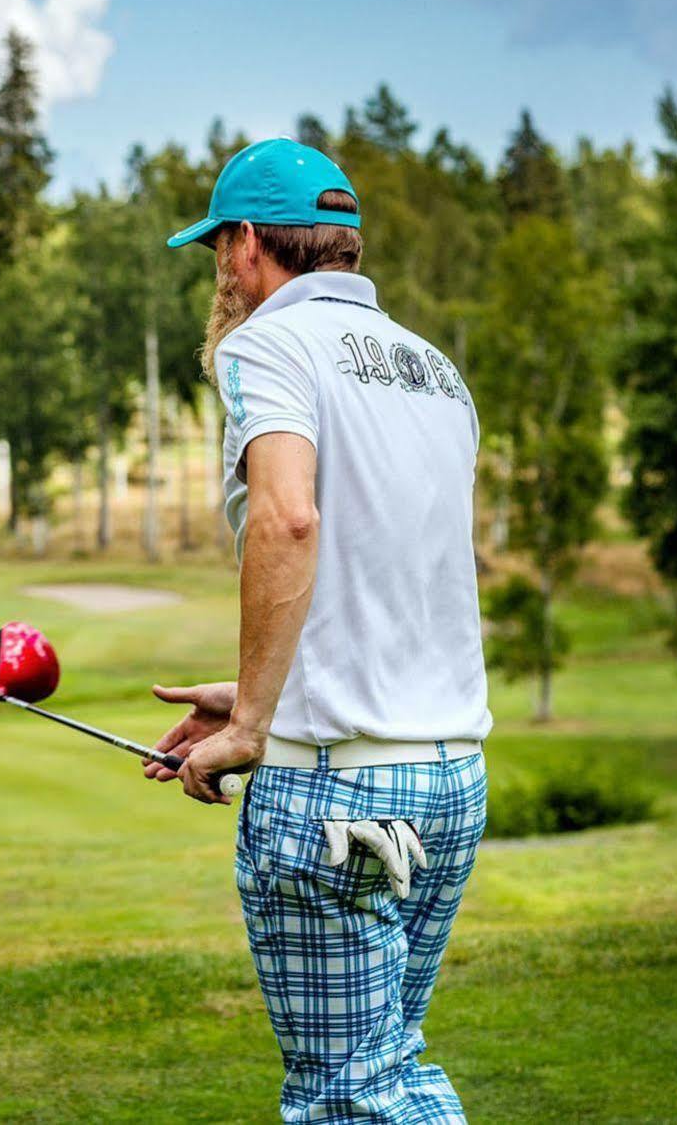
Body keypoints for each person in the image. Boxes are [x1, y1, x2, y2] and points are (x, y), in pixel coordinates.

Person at [147, 138, 491, 1123]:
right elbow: (387, 573)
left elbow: (291, 519)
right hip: (447, 781)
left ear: (246, 244)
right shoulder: (433, 371)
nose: (219, 268)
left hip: (335, 786)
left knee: (347, 1097)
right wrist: (267, 690)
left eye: (218, 246)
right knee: (393, 1074)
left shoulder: (264, 347)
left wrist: (255, 723)